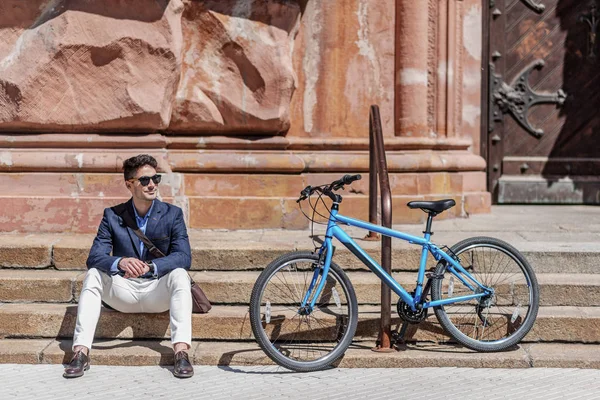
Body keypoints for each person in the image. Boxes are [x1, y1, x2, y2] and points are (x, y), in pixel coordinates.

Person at [63, 154, 194, 379]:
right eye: (144, 180)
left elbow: (183, 256)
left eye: (155, 179)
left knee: (180, 275)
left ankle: (181, 352)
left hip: (157, 291)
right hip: (123, 292)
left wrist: (151, 267)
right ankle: (81, 352)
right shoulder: (112, 216)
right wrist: (120, 262)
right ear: (129, 184)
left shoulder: (173, 214)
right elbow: (94, 257)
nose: (152, 185)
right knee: (94, 274)